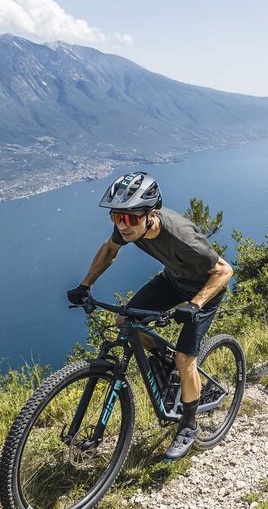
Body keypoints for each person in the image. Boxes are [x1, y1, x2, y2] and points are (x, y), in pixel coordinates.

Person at [67, 172, 233, 461]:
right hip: (172, 280)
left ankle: (188, 426)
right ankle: (166, 360)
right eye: (116, 216)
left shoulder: (182, 237)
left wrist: (195, 305)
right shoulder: (129, 228)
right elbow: (109, 250)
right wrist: (85, 285)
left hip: (205, 290)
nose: (122, 225)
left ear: (151, 215)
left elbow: (224, 271)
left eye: (130, 218)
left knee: (185, 359)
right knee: (125, 321)